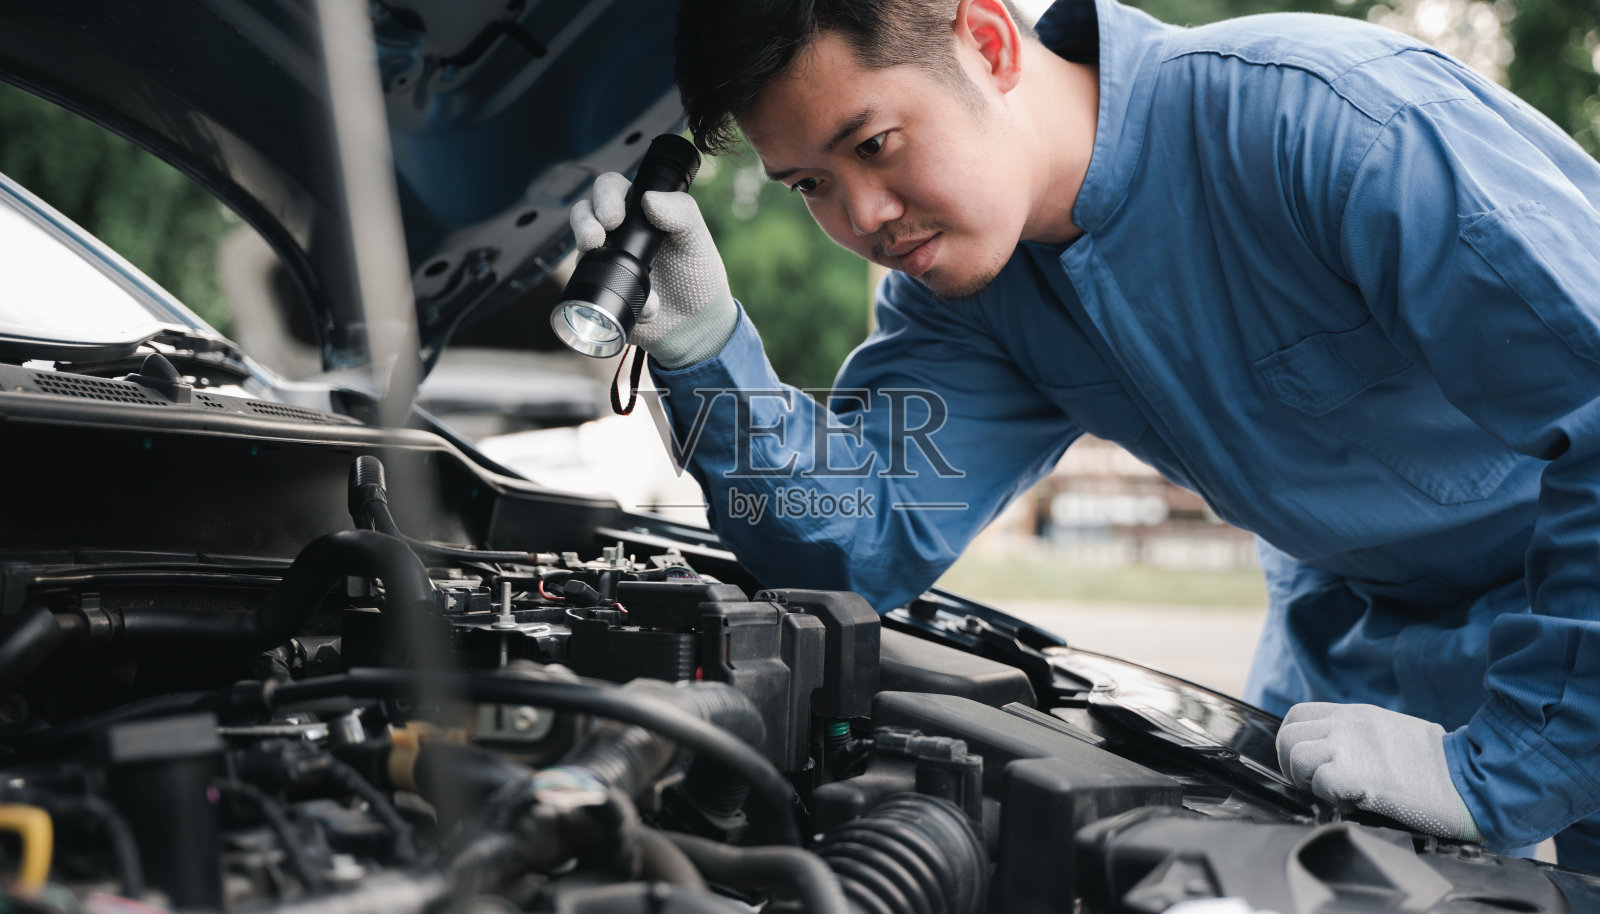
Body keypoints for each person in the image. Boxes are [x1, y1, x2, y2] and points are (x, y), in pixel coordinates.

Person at [569, 0, 1600, 866]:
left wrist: (1502, 768)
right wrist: (705, 347)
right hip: (1357, 669)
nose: (863, 217)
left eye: (871, 145)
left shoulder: (1330, 125)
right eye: (810, 187)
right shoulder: (970, 299)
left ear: (988, 39)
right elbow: (852, 542)